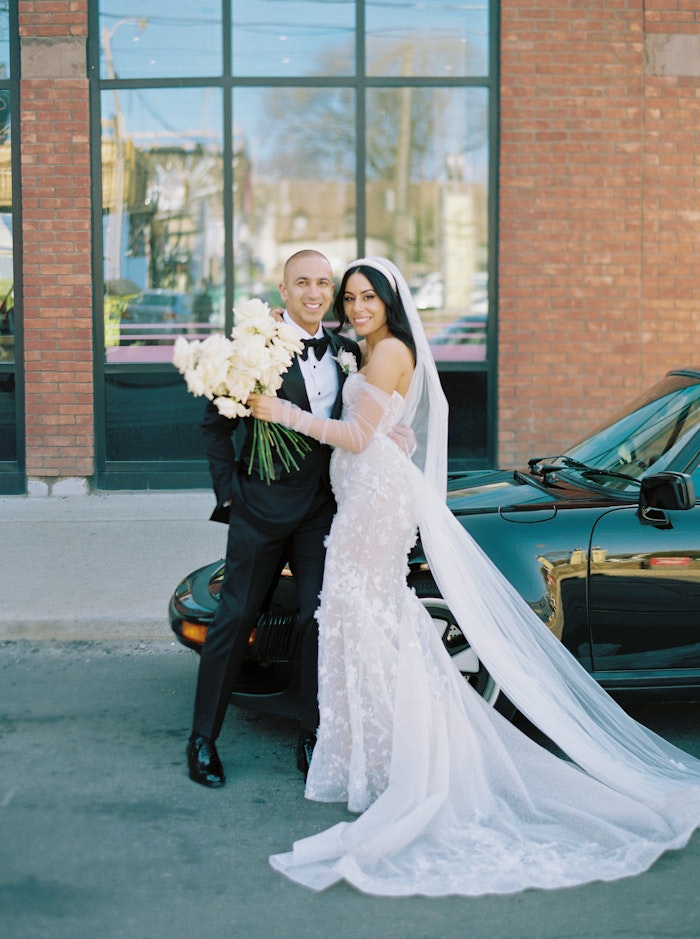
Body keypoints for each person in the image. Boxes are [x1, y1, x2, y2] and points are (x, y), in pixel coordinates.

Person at [248, 256, 700, 897]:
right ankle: (374, 758)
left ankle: (394, 762)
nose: (355, 308)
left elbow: (353, 435)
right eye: (349, 298)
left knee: (368, 612)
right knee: (364, 616)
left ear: (390, 302)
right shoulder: (369, 352)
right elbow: (380, 424)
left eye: (366, 297)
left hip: (373, 503)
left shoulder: (388, 352)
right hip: (364, 497)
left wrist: (280, 413)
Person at [187, 249, 361, 788]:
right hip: (259, 511)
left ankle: (313, 731)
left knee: (317, 619)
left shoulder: (345, 352)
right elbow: (214, 428)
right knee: (235, 619)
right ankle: (202, 739)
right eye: (302, 282)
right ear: (283, 291)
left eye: (324, 284)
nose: (314, 292)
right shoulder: (254, 350)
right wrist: (232, 495)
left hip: (319, 512)